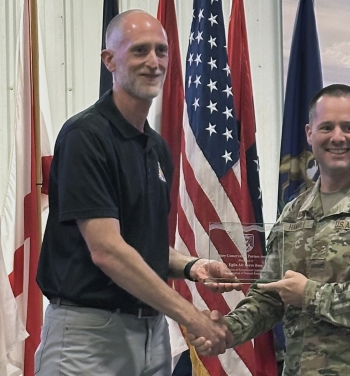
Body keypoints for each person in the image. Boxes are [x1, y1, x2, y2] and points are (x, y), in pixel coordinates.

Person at [35, 10, 238, 376]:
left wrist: (192, 266)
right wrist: (192, 317)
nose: (154, 62)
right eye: (140, 51)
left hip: (151, 334)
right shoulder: (86, 136)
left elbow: (143, 246)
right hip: (90, 337)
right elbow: (108, 251)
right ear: (109, 60)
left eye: (161, 51)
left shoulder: (155, 148)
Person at [189, 84, 350, 375]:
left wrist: (311, 295)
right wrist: (226, 331)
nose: (338, 137)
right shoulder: (295, 211)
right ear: (309, 133)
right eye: (326, 127)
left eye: (348, 127)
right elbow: (269, 295)